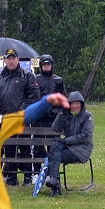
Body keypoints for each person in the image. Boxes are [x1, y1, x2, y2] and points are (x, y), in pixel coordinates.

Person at [0, 47, 41, 185]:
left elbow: (34, 96)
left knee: (25, 148)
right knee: (9, 149)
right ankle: (11, 178)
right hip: (5, 121)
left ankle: (28, 177)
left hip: (22, 120)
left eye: (13, 58)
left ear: (18, 60)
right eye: (8, 59)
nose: (11, 61)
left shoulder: (27, 76)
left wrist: (22, 110)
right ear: (5, 60)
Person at [44, 91, 94, 198]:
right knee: (55, 145)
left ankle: (55, 184)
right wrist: (62, 113)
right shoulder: (67, 115)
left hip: (81, 150)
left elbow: (85, 136)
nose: (75, 106)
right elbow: (55, 128)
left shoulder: (87, 116)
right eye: (72, 104)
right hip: (69, 146)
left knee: (53, 155)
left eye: (77, 103)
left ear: (81, 104)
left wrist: (66, 141)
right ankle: (54, 180)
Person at [31, 54, 66, 182]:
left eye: (48, 64)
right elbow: (33, 97)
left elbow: (63, 98)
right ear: (41, 66)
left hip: (53, 118)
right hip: (39, 118)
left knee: (53, 146)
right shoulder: (36, 79)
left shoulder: (58, 80)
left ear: (51, 66)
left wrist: (58, 112)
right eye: (44, 65)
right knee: (37, 145)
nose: (46, 67)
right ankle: (37, 172)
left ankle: (52, 173)